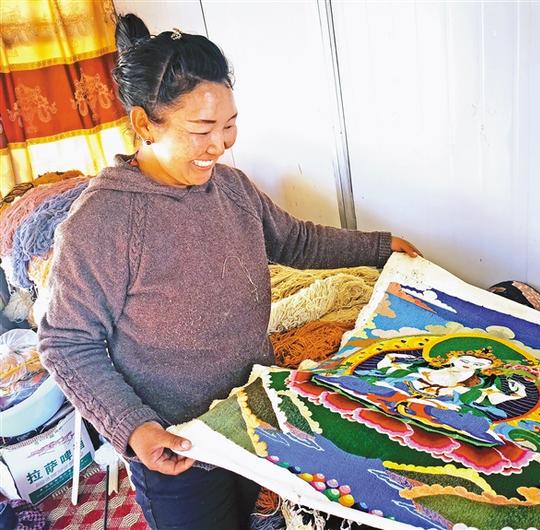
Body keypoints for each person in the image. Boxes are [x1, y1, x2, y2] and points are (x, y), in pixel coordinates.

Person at [38, 14, 419, 530]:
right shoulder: (103, 222)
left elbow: (295, 240)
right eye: (201, 130)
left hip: (248, 413)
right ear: (144, 125)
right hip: (176, 442)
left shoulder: (232, 189)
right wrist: (135, 428)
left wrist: (379, 247)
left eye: (229, 125)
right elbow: (66, 341)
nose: (220, 145)